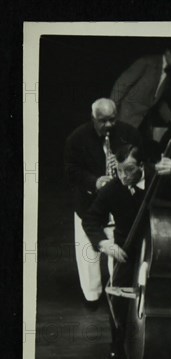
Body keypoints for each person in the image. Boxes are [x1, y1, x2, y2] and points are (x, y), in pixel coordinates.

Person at [82, 143, 171, 359]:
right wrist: (106, 245)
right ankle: (117, 344)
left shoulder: (157, 178)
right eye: (119, 170)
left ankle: (154, 340)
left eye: (129, 170)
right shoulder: (113, 188)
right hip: (125, 249)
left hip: (158, 247)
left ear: (142, 166)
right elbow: (91, 219)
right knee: (118, 298)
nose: (123, 176)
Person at [64, 98, 142, 309]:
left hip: (117, 201)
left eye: (112, 120)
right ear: (93, 119)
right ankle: (92, 296)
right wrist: (95, 181)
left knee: (117, 248)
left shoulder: (129, 133)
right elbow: (71, 170)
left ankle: (116, 291)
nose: (108, 125)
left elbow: (139, 163)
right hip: (88, 202)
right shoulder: (77, 138)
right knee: (88, 254)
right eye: (102, 121)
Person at [110, 44, 171, 143]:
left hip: (142, 123)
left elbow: (157, 100)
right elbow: (121, 84)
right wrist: (110, 110)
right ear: (168, 52)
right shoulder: (147, 62)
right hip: (125, 117)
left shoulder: (169, 73)